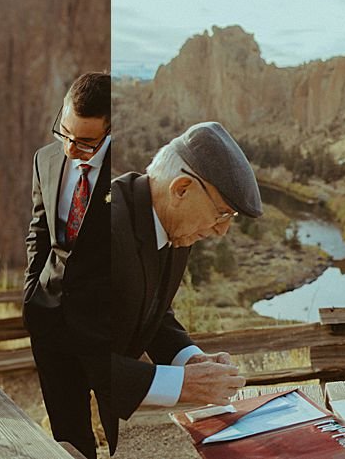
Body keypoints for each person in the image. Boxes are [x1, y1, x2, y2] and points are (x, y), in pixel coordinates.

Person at [103, 121, 260, 454]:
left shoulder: (174, 223)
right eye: (221, 213)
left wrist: (190, 361)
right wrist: (182, 385)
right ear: (182, 188)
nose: (223, 231)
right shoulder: (102, 230)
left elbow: (153, 310)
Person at [24, 71, 112, 458]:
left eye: (86, 143)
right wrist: (31, 298)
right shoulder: (45, 158)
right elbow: (38, 233)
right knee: (69, 442)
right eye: (65, 134)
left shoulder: (129, 174)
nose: (71, 149)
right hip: (50, 324)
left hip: (106, 335)